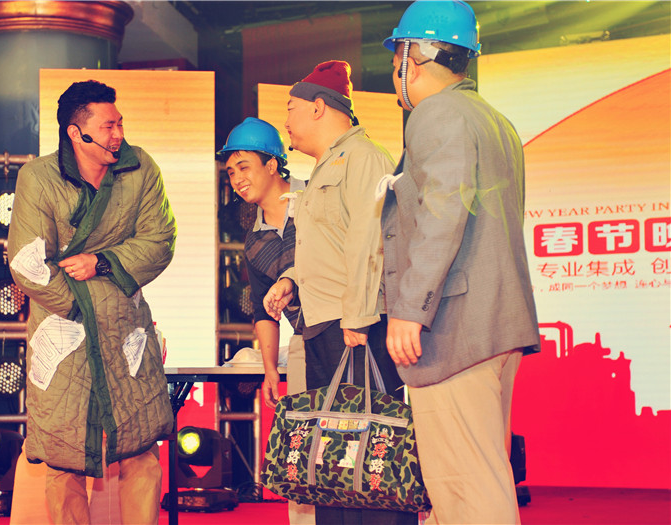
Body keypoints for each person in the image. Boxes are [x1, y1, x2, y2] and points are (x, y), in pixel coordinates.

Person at [380, 2, 540, 523]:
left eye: (397, 59)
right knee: (469, 479)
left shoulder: (436, 114)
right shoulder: (494, 120)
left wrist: (410, 308)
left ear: (415, 57)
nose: (395, 73)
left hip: (455, 329)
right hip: (493, 326)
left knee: (466, 488)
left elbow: (442, 212)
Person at [7, 79, 176, 525]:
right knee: (64, 456)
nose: (118, 135)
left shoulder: (141, 168)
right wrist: (81, 305)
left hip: (125, 325)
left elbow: (160, 240)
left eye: (120, 124)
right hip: (63, 328)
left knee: (140, 448)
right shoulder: (38, 177)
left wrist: (100, 262)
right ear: (76, 133)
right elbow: (28, 262)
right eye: (107, 127)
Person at [263, 60, 415, 525]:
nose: (286, 120)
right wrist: (291, 280)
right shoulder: (325, 166)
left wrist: (359, 316)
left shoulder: (364, 158)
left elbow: (372, 242)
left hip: (355, 325)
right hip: (324, 323)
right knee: (334, 455)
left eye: (290, 109)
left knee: (372, 450)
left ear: (318, 107)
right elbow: (330, 243)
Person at [217, 117, 313, 525]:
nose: (237, 179)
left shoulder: (315, 199)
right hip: (307, 340)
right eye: (231, 172)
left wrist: (292, 279)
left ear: (272, 164)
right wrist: (271, 367)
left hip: (355, 332)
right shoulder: (254, 241)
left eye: (245, 167)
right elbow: (262, 311)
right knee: (306, 446)